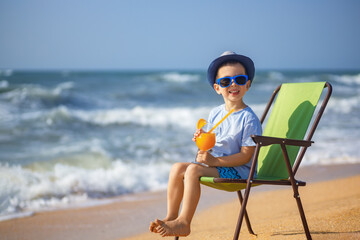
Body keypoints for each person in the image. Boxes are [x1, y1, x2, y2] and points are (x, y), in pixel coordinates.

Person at [149, 51, 262, 237]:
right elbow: (209, 145)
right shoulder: (216, 113)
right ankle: (172, 216)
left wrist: (215, 161)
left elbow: (246, 156)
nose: (233, 84)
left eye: (239, 79)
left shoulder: (248, 119)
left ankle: (185, 223)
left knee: (193, 170)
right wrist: (202, 140)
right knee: (177, 168)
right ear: (217, 88)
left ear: (247, 84)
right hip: (218, 165)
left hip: (239, 170)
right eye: (226, 81)